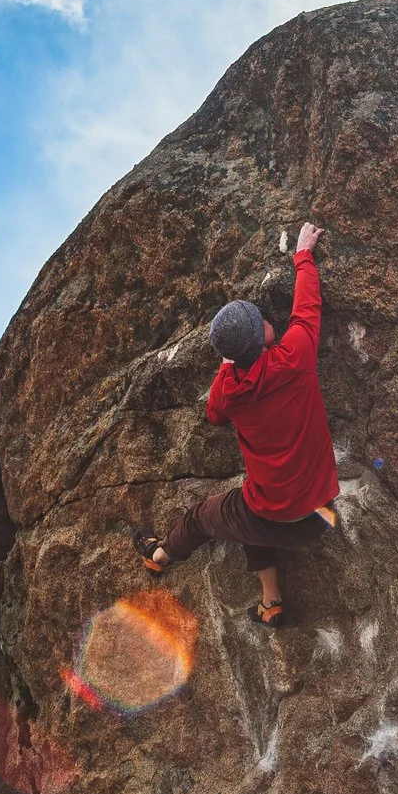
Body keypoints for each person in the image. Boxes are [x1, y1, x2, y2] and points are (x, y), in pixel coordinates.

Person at [131, 221, 340, 627]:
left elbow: (213, 415)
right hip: (321, 514)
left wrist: (227, 369)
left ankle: (159, 556)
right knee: (245, 509)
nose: (266, 320)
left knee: (209, 515)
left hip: (272, 517)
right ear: (262, 337)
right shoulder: (295, 357)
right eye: (261, 320)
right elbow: (307, 306)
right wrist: (303, 253)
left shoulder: (225, 391)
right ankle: (270, 604)